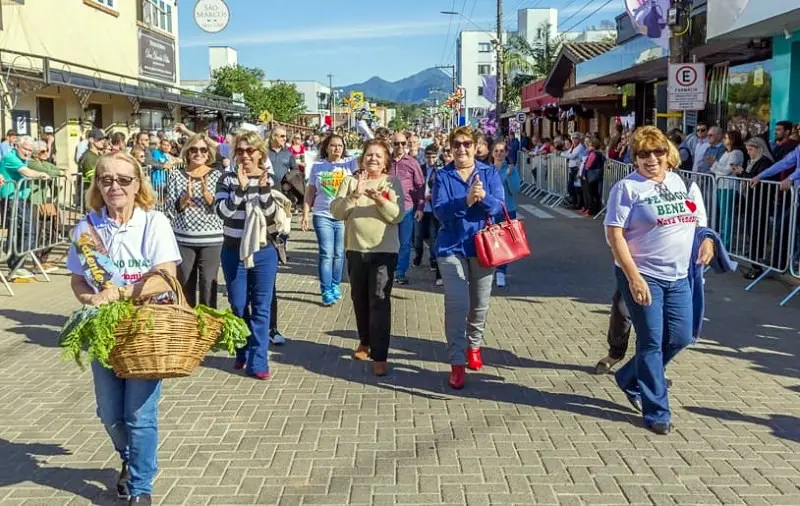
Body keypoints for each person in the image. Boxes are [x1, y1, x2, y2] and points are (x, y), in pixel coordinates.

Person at [66, 151, 182, 505]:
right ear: (97, 185)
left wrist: (120, 292)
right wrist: (92, 300)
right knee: (109, 412)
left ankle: (141, 486)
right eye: (106, 179)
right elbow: (77, 282)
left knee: (139, 413)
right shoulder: (86, 228)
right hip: (105, 330)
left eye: (123, 179)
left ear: (138, 184)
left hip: (145, 327)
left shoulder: (153, 222)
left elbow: (166, 278)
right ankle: (131, 460)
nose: (114, 186)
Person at [604, 126, 714, 435]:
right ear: (635, 158)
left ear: (668, 154)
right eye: (643, 154)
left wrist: (706, 239)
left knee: (680, 337)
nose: (652, 159)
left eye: (658, 152)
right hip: (644, 275)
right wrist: (634, 277)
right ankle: (656, 409)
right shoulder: (627, 189)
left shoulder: (678, 182)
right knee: (651, 341)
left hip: (678, 275)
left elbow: (695, 216)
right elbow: (615, 236)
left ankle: (629, 376)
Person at [432, 126, 504, 390]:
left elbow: (499, 207)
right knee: (457, 304)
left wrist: (482, 198)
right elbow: (439, 211)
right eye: (456, 145)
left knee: (480, 303)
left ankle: (474, 344)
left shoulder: (489, 172)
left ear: (476, 147)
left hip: (484, 245)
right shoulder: (443, 175)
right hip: (451, 246)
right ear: (450, 148)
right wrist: (465, 201)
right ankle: (457, 361)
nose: (461, 149)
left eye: (466, 144)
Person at [330, 139, 405, 377]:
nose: (372, 159)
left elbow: (397, 216)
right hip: (355, 249)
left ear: (385, 163)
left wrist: (380, 199)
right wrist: (355, 195)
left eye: (378, 156)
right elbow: (337, 211)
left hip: (383, 251)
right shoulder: (351, 181)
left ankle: (380, 355)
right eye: (369, 155)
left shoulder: (392, 183)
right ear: (362, 158)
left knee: (379, 301)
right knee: (359, 298)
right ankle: (365, 341)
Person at [215, 130, 280, 379]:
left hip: (264, 250)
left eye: (249, 150)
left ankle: (259, 360)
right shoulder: (227, 179)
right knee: (239, 304)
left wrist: (262, 189)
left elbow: (272, 214)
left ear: (260, 153)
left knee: (262, 307)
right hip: (233, 249)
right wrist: (240, 190)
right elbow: (222, 212)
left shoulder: (268, 178)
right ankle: (242, 348)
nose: (244, 156)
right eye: (239, 151)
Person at [165, 133, 224, 308]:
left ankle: (208, 329)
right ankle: (187, 329)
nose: (198, 153)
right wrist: (182, 202)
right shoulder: (176, 175)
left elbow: (223, 210)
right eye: (194, 150)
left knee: (208, 286)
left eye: (203, 150)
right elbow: (168, 211)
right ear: (187, 152)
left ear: (208, 154)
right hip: (184, 239)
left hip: (211, 240)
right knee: (185, 288)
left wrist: (208, 198)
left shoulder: (217, 175)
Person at [301, 134, 358, 305]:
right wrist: (305, 214)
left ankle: (335, 285)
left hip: (342, 216)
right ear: (326, 148)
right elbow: (310, 191)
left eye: (340, 145)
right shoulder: (318, 167)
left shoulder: (348, 164)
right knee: (326, 253)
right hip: (322, 214)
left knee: (339, 254)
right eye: (333, 145)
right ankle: (325, 289)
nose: (337, 149)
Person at [0, 136, 49, 280]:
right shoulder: (11, 157)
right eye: (25, 149)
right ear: (17, 146)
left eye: (29, 150)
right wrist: (42, 174)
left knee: (19, 232)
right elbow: (26, 172)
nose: (27, 152)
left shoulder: (23, 158)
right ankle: (16, 264)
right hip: (12, 199)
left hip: (20, 199)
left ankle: (16, 265)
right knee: (27, 231)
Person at [389, 132, 425, 286]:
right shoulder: (385, 161)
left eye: (403, 143)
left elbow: (420, 187)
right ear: (392, 144)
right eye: (396, 143)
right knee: (389, 243)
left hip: (407, 208)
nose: (400, 147)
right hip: (387, 209)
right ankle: (388, 270)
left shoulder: (412, 163)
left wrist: (420, 208)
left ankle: (400, 272)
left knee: (404, 243)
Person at [490, 139, 521, 288]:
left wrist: (508, 175)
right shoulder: (488, 170)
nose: (499, 153)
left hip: (507, 210)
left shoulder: (511, 169)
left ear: (506, 153)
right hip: (491, 210)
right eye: (496, 151)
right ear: (492, 153)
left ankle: (501, 271)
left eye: (502, 151)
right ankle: (490, 269)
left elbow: (515, 189)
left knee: (505, 242)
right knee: (491, 241)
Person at [413, 144, 443, 286]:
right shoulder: (421, 168)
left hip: (433, 210)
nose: (430, 159)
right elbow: (416, 186)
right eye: (428, 157)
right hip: (420, 208)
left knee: (433, 238)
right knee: (417, 236)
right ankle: (418, 256)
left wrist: (432, 196)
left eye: (433, 157)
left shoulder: (439, 171)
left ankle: (433, 261)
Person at [709, 130, 745, 249]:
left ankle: (726, 243)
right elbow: (715, 169)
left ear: (732, 139)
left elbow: (726, 171)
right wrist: (716, 166)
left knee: (726, 215)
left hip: (729, 186)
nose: (724, 140)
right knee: (722, 214)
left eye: (726, 138)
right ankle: (722, 240)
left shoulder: (736, 153)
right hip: (720, 185)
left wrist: (715, 164)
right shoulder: (726, 152)